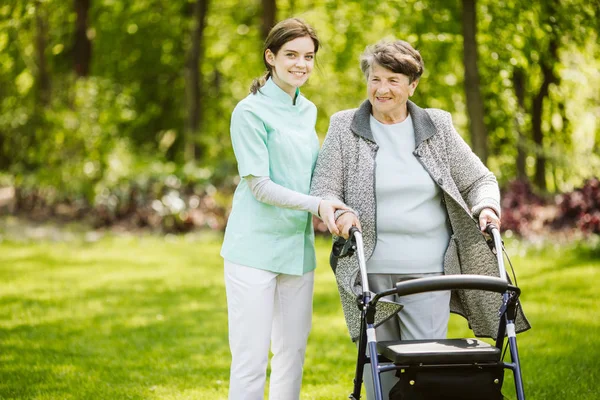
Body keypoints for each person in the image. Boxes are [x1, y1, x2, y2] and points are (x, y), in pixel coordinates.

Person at [310, 40, 530, 399]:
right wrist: (339, 211)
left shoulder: (436, 126)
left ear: (412, 85)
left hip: (429, 268)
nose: (381, 89)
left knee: (426, 368)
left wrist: (486, 207)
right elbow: (325, 188)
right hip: (370, 268)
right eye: (375, 78)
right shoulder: (344, 126)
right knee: (376, 367)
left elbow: (479, 180)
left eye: (393, 80)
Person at [220, 18, 348, 400]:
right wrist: (318, 204)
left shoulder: (307, 110)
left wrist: (336, 204)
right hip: (253, 251)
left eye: (308, 56)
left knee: (292, 353)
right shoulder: (249, 112)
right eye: (291, 55)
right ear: (270, 57)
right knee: (251, 358)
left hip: (297, 249)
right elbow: (259, 186)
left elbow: (313, 177)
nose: (301, 64)